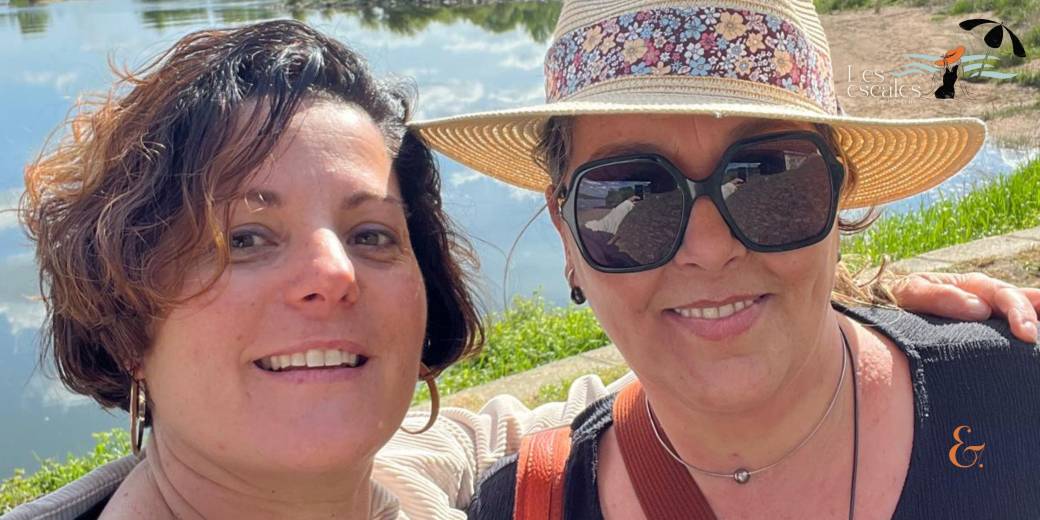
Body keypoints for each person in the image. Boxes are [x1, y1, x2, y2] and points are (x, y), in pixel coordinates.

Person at [7, 14, 1038, 520]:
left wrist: (856, 304)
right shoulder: (523, 497)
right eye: (243, 236)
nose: (331, 275)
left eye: (771, 183)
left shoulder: (456, 493)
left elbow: (632, 399)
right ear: (121, 305)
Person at [409, 0, 1040, 517]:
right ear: (566, 234)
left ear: (838, 192)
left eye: (768, 178)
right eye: (633, 194)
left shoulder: (1016, 396)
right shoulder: (528, 504)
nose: (710, 250)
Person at [9, 20, 487, 519]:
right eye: (244, 239)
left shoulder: (418, 484)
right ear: (125, 319)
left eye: (371, 235)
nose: (335, 272)